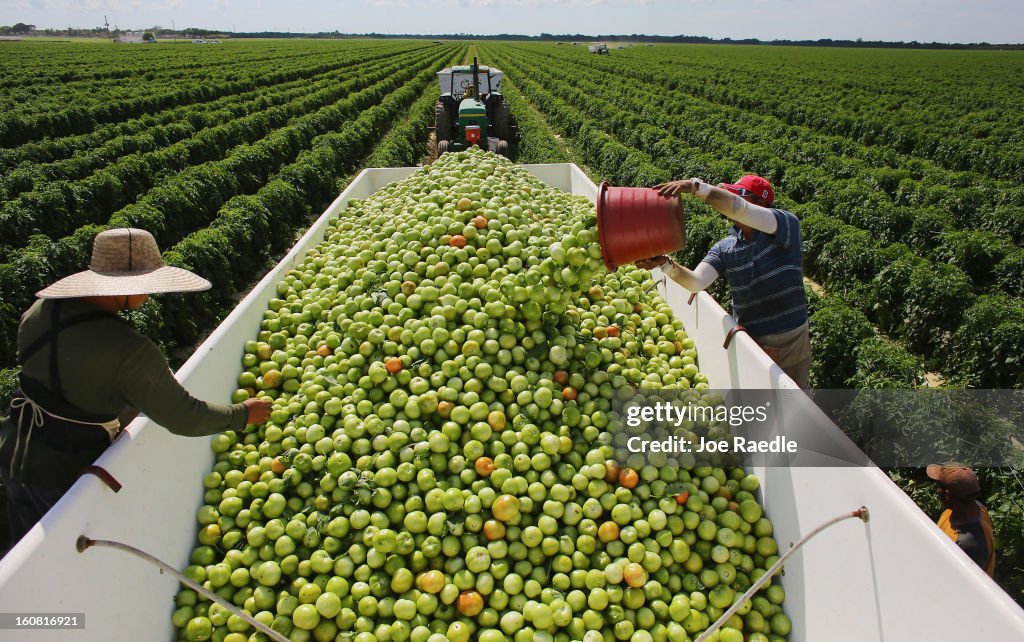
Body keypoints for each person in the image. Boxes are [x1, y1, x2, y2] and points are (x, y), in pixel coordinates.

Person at [0, 228, 272, 543]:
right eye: (148, 287)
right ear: (125, 288)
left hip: (14, 449)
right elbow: (184, 416)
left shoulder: (40, 312)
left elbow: (63, 377)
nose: (150, 295)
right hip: (64, 470)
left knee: (28, 539)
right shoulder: (127, 350)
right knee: (64, 545)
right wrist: (241, 414)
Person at [636, 175, 811, 388]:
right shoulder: (726, 248)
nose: (730, 202)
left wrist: (696, 187)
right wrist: (665, 264)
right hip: (751, 342)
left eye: (739, 195)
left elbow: (739, 209)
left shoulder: (785, 225)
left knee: (792, 402)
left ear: (762, 204)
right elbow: (696, 282)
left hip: (790, 341)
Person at [927, 462, 996, 577]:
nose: (936, 489)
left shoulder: (968, 544)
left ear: (947, 495)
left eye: (938, 485)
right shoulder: (975, 508)